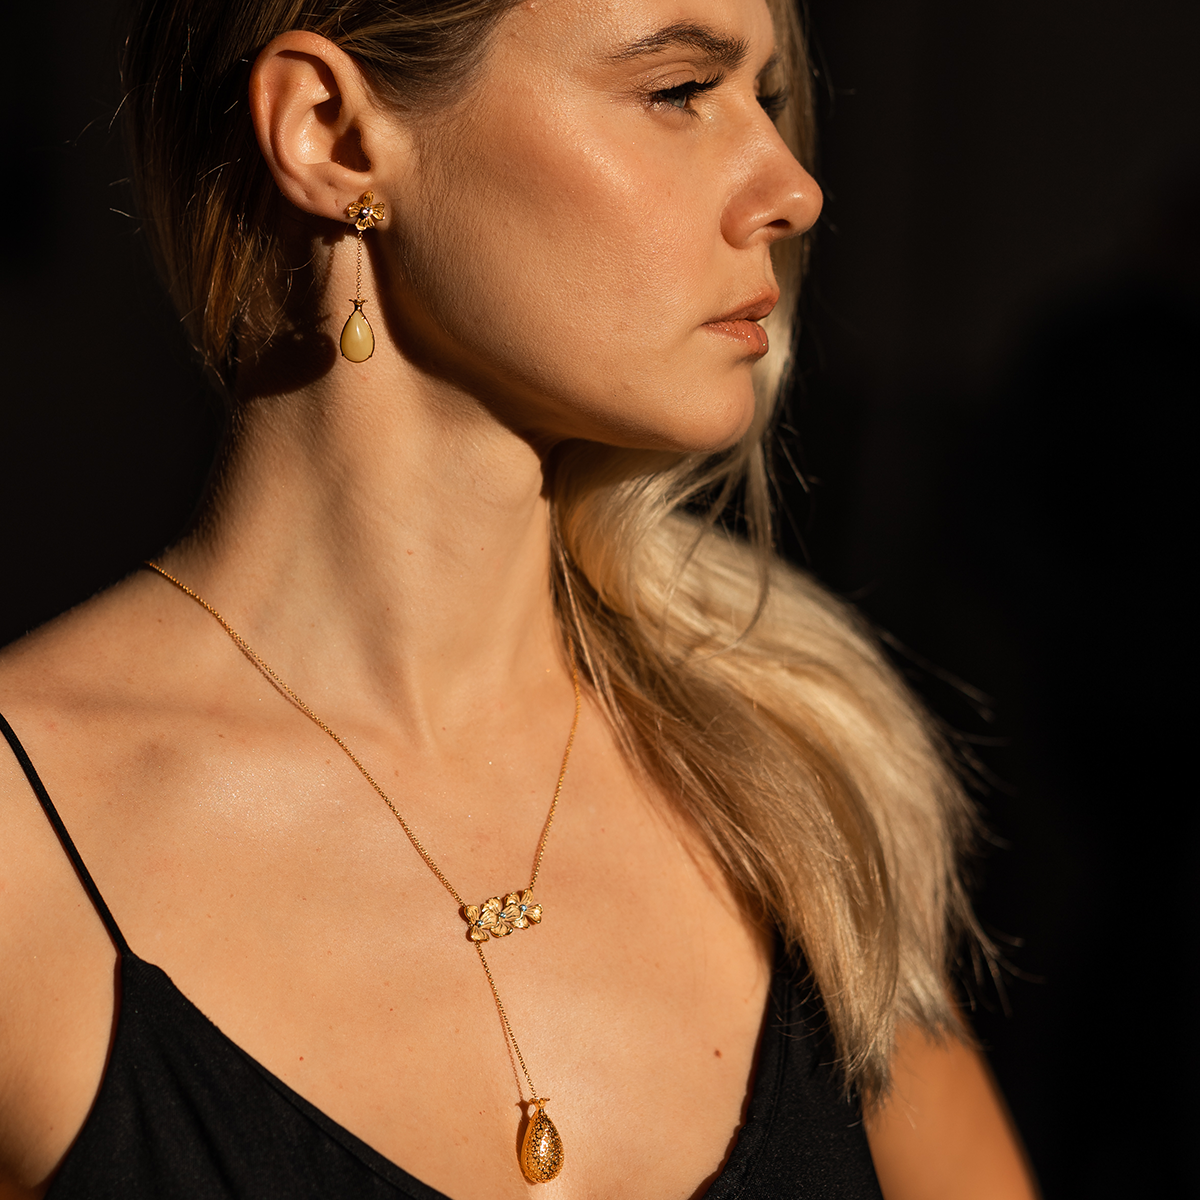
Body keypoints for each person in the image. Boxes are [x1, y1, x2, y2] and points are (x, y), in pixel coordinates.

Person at [0, 0, 1040, 1196]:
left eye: (766, 98)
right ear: (331, 134)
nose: (793, 189)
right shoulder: (26, 861)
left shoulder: (798, 787)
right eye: (678, 92)